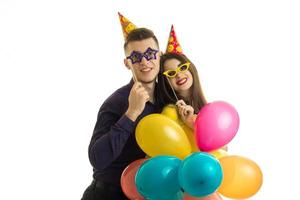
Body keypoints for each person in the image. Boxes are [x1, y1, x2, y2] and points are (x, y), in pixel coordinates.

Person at [81, 13, 162, 200]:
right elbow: (97, 159)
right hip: (107, 194)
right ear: (127, 63)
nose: (144, 62)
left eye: (150, 54)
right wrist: (131, 113)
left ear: (159, 56)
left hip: (146, 193)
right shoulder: (116, 102)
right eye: (136, 57)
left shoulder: (167, 98)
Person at [157, 25, 224, 200]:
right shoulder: (170, 113)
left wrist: (193, 122)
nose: (179, 74)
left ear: (191, 68)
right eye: (171, 73)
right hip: (183, 190)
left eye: (182, 67)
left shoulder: (206, 109)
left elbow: (222, 150)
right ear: (166, 83)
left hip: (205, 185)